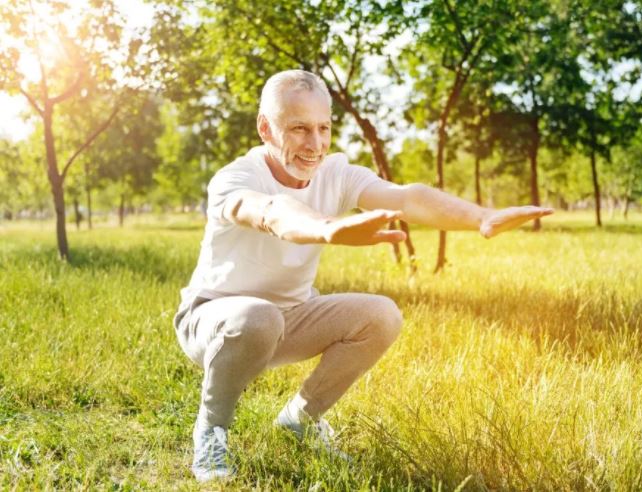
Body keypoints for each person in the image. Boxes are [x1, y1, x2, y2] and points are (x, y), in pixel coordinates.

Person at [173, 69, 553, 482]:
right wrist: (327, 228)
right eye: (299, 129)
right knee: (258, 317)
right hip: (213, 320)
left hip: (292, 316)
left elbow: (407, 197)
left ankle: (299, 419)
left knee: (381, 314)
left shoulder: (336, 173)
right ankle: (211, 430)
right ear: (266, 128)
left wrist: (481, 217)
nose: (314, 144)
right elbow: (270, 213)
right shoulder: (236, 178)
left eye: (323, 128)